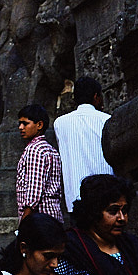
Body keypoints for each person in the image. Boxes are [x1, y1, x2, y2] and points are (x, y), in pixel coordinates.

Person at [53, 81, 113, 214]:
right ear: (96, 97)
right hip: (107, 192)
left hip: (75, 196)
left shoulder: (60, 123)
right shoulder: (107, 119)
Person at [15, 105, 66, 222]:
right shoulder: (50, 149)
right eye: (20, 124)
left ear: (39, 125)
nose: (20, 127)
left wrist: (25, 221)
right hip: (52, 215)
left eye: (25, 123)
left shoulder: (35, 149)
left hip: (39, 218)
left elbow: (34, 191)